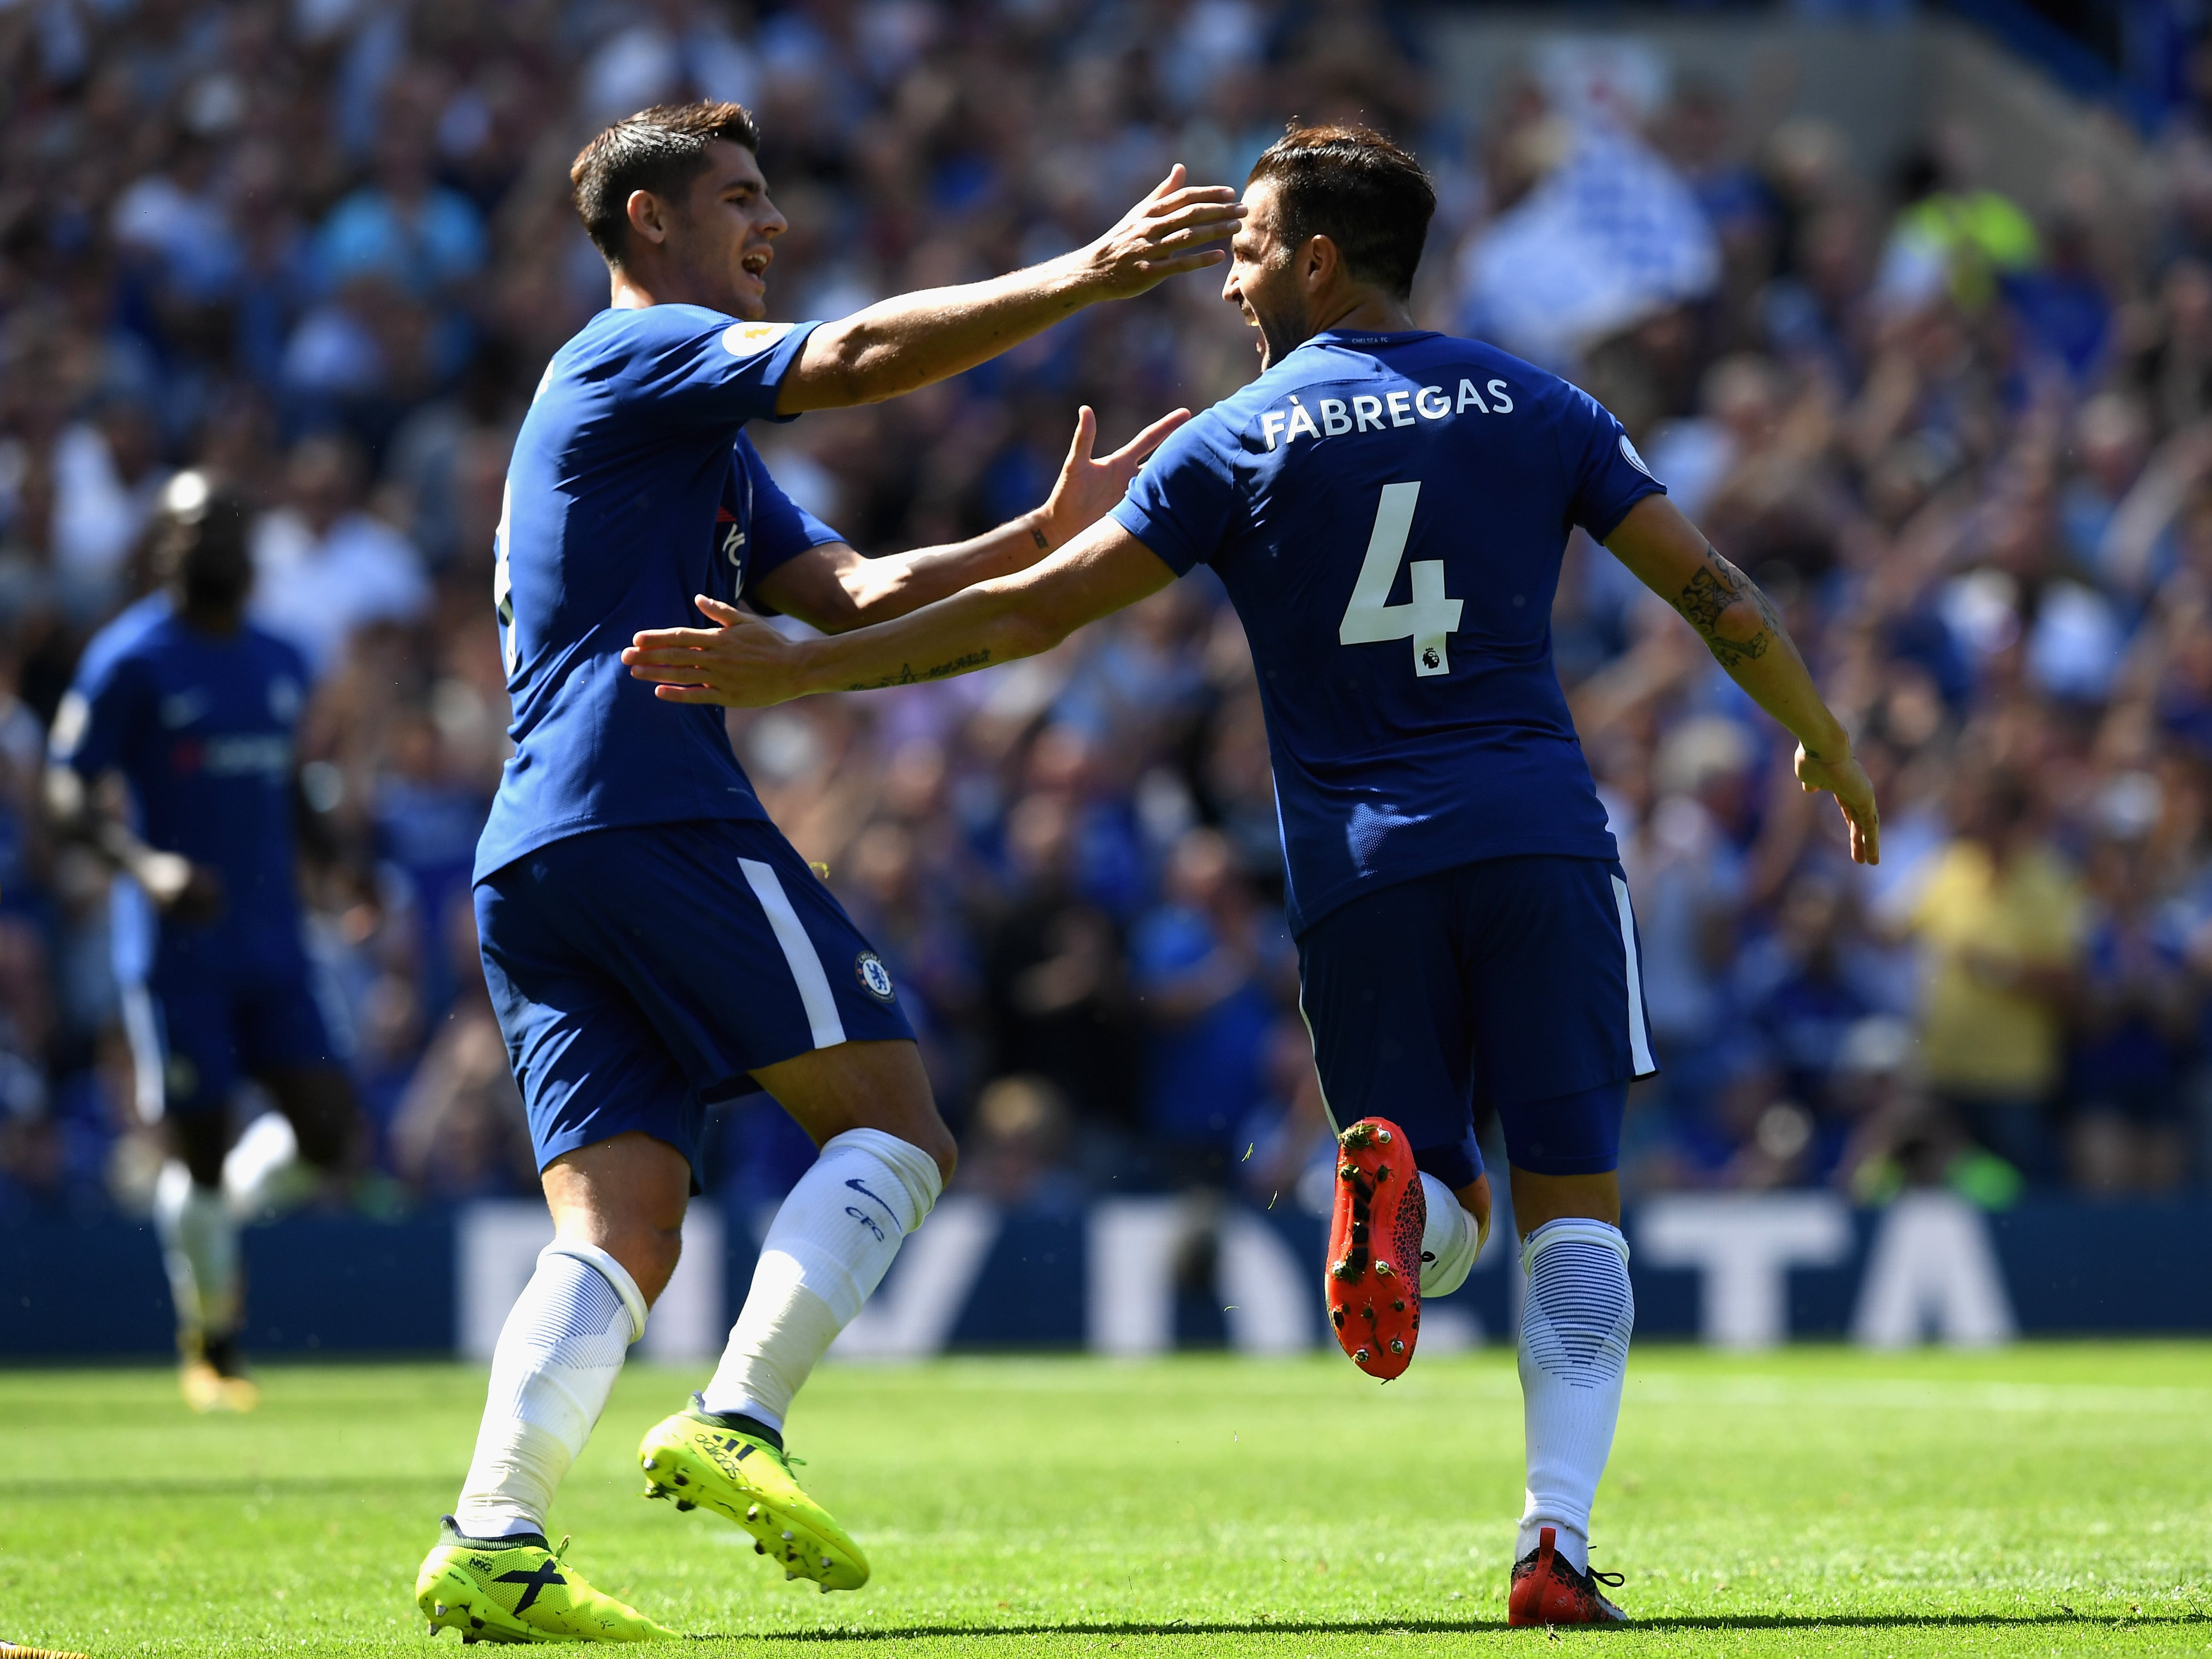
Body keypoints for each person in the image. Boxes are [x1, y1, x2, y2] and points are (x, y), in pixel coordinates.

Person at [622, 123, 1881, 1627]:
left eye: (1246, 244)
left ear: (1317, 259)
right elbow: (1712, 590)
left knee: (1428, 1176)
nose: (1227, 279)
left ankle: (1405, 1185)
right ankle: (1553, 1538)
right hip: (1539, 837)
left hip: (1357, 870)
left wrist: (803, 670)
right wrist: (1819, 738)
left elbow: (1028, 617)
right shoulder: (1544, 404)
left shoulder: (1240, 437)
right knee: (1576, 1210)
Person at [415, 99, 1242, 1643]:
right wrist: (1094, 271)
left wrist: (1036, 537)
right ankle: (741, 1415)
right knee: (899, 1127)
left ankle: (494, 1531)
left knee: (623, 1228)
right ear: (647, 222)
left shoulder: (687, 441)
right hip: (646, 806)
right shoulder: (632, 352)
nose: (770, 223)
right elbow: (852, 359)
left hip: (536, 852)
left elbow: (852, 596)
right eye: (736, 197)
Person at [44, 471, 362, 1412]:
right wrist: (145, 867)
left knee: (329, 1129)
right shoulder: (130, 658)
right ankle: (212, 1343)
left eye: (230, 523)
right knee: (200, 1146)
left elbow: (289, 777)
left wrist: (340, 858)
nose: (216, 540)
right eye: (195, 526)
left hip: (276, 942)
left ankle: (215, 1228)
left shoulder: (279, 654)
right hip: (178, 948)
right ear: (165, 546)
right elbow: (67, 792)